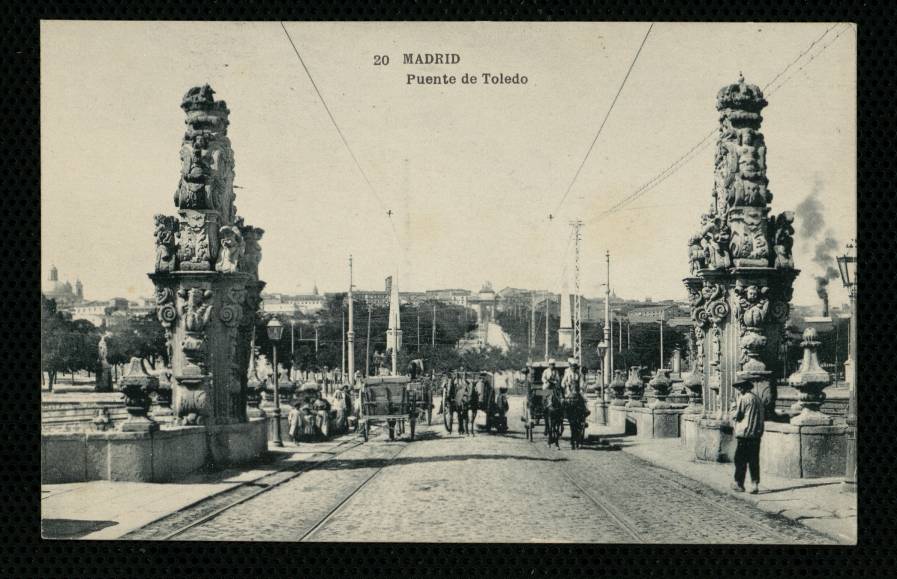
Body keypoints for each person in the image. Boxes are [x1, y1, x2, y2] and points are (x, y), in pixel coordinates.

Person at [730, 376, 765, 494]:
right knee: (754, 460)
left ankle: (739, 483)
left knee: (740, 460)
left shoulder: (744, 399)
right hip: (756, 434)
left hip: (744, 434)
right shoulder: (757, 399)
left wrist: (733, 407)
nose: (739, 389)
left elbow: (737, 416)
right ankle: (754, 484)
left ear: (744, 388)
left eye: (740, 387)